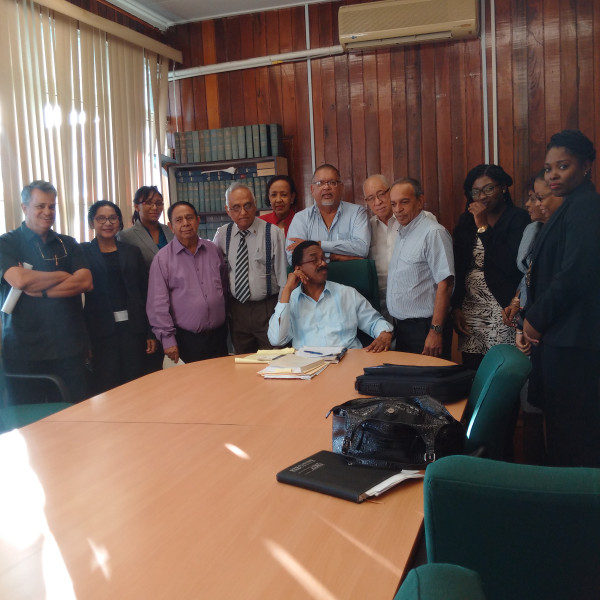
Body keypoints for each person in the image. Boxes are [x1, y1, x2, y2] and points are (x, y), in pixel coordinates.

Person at [523, 129, 600, 467]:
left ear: (586, 166)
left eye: (563, 166)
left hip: (573, 343)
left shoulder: (586, 207)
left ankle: (574, 510)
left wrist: (536, 319)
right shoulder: (572, 206)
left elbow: (575, 275)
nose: (553, 175)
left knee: (573, 436)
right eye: (549, 168)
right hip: (562, 338)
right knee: (560, 429)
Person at [0, 181, 93, 404]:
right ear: (24, 208)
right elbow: (19, 279)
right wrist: (62, 275)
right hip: (24, 351)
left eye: (52, 206)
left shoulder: (68, 243)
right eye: (40, 206)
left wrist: (40, 291)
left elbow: (85, 282)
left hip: (68, 348)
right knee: (29, 424)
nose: (47, 212)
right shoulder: (7, 243)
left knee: (74, 417)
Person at [451, 164, 530, 370]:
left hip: (503, 307)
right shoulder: (466, 221)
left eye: (489, 188)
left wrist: (483, 226)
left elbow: (510, 266)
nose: (482, 196)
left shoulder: (518, 218)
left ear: (503, 187)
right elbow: (460, 267)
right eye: (476, 191)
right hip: (472, 309)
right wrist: (456, 306)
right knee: (473, 371)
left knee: (502, 370)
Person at [81, 201, 155, 395]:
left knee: (136, 384)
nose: (107, 223)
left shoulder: (132, 252)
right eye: (101, 218)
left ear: (120, 222)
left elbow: (145, 291)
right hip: (100, 333)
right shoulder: (82, 253)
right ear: (92, 223)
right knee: (107, 386)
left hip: (134, 330)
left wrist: (150, 332)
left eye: (113, 218)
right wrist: (85, 341)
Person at [268, 240, 393, 351]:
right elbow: (277, 340)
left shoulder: (347, 294)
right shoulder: (291, 299)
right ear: (298, 268)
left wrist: (384, 333)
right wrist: (287, 291)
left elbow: (375, 322)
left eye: (323, 258)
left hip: (347, 362)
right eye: (314, 260)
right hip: (307, 367)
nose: (322, 263)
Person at [147, 201, 228, 364]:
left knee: (223, 383)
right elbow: (158, 304)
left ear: (197, 220)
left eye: (189, 218)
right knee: (196, 386)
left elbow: (224, 286)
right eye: (179, 220)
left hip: (219, 335)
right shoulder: (162, 259)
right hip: (189, 340)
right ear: (170, 226)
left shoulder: (212, 249)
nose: (185, 223)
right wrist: (168, 340)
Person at [213, 183, 288, 354]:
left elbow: (284, 279)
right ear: (227, 210)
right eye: (236, 208)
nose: (243, 212)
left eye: (247, 205)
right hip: (237, 310)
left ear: (255, 205)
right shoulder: (222, 234)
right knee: (242, 362)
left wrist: (281, 315)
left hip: (268, 308)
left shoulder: (273, 233)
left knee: (274, 359)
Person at [386, 178, 454, 359]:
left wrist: (435, 331)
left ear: (420, 200)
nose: (398, 209)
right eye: (393, 204)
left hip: (425, 329)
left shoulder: (433, 233)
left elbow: (446, 285)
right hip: (404, 329)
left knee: (429, 384)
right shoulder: (403, 232)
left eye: (404, 202)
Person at [117, 185, 173, 372]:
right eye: (148, 203)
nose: (154, 208)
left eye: (159, 203)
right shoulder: (125, 237)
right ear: (136, 206)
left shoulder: (171, 230)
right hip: (147, 303)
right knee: (150, 364)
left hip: (175, 300)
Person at [285, 164, 370, 263]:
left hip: (350, 278)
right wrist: (335, 257)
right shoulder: (301, 218)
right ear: (312, 190)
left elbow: (362, 249)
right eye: (320, 183)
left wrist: (318, 245)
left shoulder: (357, 213)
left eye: (332, 182)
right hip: (312, 279)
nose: (326, 187)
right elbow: (293, 257)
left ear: (341, 188)